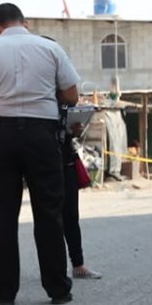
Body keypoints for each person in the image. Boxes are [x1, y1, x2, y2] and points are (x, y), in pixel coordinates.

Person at [0, 3, 79, 305]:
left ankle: (4, 292)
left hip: (1, 138)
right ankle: (58, 289)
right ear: (24, 23)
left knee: (3, 216)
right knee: (49, 213)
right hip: (43, 136)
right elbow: (72, 95)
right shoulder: (50, 48)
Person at [62, 115, 101, 280]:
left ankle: (78, 265)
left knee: (70, 216)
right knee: (49, 219)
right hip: (45, 161)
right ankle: (53, 270)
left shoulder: (62, 100)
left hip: (66, 161)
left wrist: (73, 131)